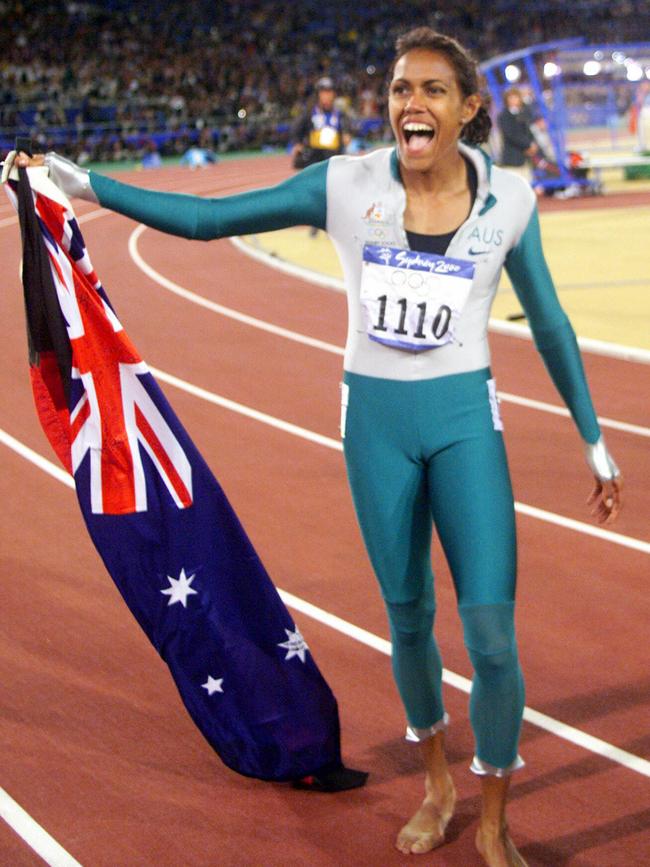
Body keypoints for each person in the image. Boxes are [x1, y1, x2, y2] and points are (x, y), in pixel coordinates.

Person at [11, 26, 622, 867]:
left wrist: (593, 439)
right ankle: (437, 783)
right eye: (401, 88)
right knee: (408, 618)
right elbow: (207, 216)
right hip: (376, 428)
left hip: (463, 426)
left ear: (470, 109)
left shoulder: (510, 200)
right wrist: (86, 184)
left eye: (434, 90)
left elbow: (548, 321)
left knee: (491, 637)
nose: (411, 103)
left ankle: (494, 818)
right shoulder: (343, 184)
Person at [290, 76, 350, 169]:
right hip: (314, 158)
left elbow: (347, 131)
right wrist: (297, 143)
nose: (326, 96)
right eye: (323, 93)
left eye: (329, 93)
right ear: (318, 95)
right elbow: (296, 129)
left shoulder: (340, 115)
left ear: (334, 95)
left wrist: (347, 135)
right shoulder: (309, 113)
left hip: (333, 158)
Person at [497, 87, 538, 180]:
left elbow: (529, 131)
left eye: (516, 97)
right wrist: (527, 145)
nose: (514, 100)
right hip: (512, 159)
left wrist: (532, 144)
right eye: (511, 98)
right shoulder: (504, 116)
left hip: (525, 159)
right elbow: (511, 134)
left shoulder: (524, 114)